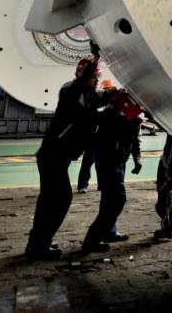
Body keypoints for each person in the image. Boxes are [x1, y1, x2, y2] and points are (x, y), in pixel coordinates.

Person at [24, 56, 108, 259]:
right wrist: (93, 62)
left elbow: (101, 98)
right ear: (83, 76)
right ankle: (39, 245)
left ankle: (38, 244)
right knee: (60, 199)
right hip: (52, 157)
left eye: (97, 77)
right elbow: (87, 107)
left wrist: (121, 93)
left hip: (56, 157)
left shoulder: (88, 96)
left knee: (49, 201)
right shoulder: (70, 92)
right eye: (94, 77)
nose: (96, 80)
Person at [81, 88, 143, 254]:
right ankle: (92, 240)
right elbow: (120, 127)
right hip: (109, 164)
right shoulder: (108, 116)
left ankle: (106, 233)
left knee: (108, 201)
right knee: (117, 200)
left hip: (117, 163)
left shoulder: (126, 118)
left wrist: (137, 157)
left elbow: (133, 138)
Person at [77, 79, 116, 194]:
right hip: (94, 136)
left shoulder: (113, 103)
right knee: (89, 161)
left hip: (105, 137)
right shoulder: (97, 101)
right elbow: (94, 115)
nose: (109, 91)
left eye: (111, 89)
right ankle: (83, 185)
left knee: (102, 162)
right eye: (107, 89)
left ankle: (101, 184)